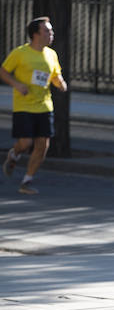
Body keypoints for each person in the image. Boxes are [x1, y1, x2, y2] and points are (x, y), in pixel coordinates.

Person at [1, 16, 68, 195]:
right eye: (47, 31)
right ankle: (14, 154)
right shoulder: (20, 53)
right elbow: (3, 71)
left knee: (42, 145)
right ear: (36, 34)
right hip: (24, 106)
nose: (51, 34)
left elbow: (55, 75)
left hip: (45, 106)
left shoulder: (51, 54)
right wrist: (17, 84)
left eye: (51, 31)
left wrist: (60, 83)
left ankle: (27, 181)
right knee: (26, 142)